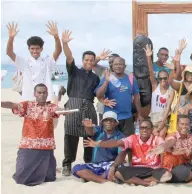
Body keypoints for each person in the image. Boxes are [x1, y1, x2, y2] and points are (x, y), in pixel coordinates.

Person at [1, 83, 68, 186]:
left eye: (44, 93)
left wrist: (63, 111)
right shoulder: (27, 105)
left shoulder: (51, 106)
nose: (42, 95)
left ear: (47, 94)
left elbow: (57, 110)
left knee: (50, 178)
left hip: (46, 146)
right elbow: (13, 105)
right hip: (28, 145)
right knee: (20, 178)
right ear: (35, 94)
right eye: (39, 92)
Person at [84, 120, 174, 186]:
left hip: (153, 169)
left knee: (168, 175)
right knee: (118, 173)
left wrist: (161, 147)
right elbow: (117, 143)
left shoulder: (157, 139)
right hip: (136, 169)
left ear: (151, 130)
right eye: (142, 128)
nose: (144, 130)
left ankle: (139, 180)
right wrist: (99, 143)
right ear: (139, 129)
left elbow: (165, 144)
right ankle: (145, 183)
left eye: (147, 128)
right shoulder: (133, 138)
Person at [61, 30, 101, 176]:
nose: (88, 62)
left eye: (91, 60)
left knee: (90, 135)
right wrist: (64, 43)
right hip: (72, 105)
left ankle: (89, 162)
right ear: (82, 60)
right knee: (70, 135)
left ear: (94, 62)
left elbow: (97, 94)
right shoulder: (74, 71)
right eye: (86, 60)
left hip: (89, 107)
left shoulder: (96, 78)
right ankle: (67, 164)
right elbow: (69, 56)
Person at [6, 21, 62, 102]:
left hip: (46, 99)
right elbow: (9, 53)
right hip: (28, 98)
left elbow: (58, 51)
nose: (35, 51)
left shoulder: (47, 62)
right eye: (32, 48)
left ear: (41, 49)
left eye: (37, 48)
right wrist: (11, 38)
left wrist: (56, 37)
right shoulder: (24, 62)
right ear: (29, 49)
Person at [72, 111, 125, 183]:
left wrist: (113, 167)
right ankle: (103, 180)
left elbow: (121, 155)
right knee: (77, 168)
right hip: (96, 164)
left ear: (116, 123)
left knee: (118, 169)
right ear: (102, 122)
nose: (108, 122)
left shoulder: (120, 136)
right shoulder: (99, 130)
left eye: (111, 120)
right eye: (106, 120)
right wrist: (87, 127)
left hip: (110, 164)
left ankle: (93, 178)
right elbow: (91, 132)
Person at [144, 44, 174, 137]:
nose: (163, 80)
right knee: (154, 136)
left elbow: (168, 108)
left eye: (165, 78)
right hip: (153, 118)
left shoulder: (170, 90)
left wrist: (173, 69)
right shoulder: (155, 87)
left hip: (164, 119)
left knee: (160, 135)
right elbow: (150, 72)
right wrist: (148, 57)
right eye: (161, 79)